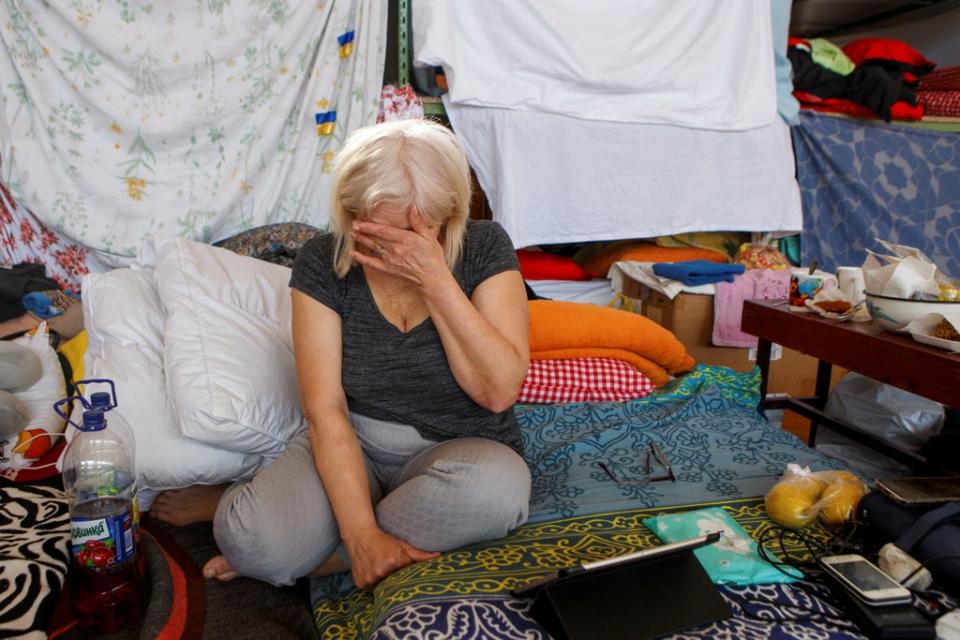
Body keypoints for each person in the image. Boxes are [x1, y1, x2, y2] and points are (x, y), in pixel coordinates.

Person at [151, 119, 532, 588]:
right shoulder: (323, 262)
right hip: (354, 444)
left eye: (421, 229)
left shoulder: (485, 247)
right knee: (250, 540)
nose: (402, 249)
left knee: (500, 491)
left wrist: (435, 281)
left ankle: (327, 557)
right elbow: (324, 410)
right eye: (385, 233)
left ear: (450, 210)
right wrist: (361, 533)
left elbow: (498, 392)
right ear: (353, 214)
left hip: (462, 451)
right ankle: (320, 533)